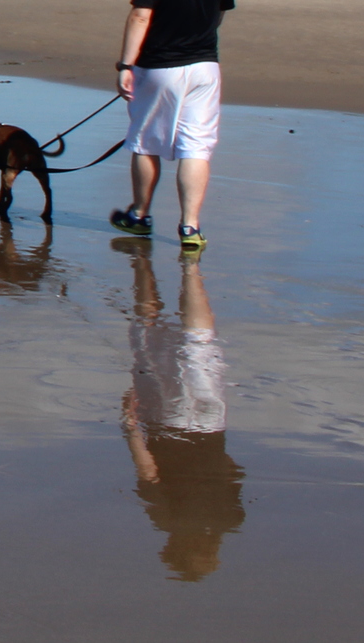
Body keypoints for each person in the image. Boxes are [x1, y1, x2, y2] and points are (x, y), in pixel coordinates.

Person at [110, 0, 235, 252]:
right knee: (196, 148)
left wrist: (126, 65)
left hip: (160, 67)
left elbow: (140, 16)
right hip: (205, 67)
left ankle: (139, 214)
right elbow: (219, 13)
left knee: (145, 142)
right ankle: (190, 227)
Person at [120, 242, 243, 579]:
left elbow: (234, 472)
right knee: (146, 345)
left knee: (199, 347)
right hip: (169, 424)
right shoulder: (166, 519)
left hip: (211, 424)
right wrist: (130, 426)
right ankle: (143, 267)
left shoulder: (231, 520)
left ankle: (191, 275)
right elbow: (148, 472)